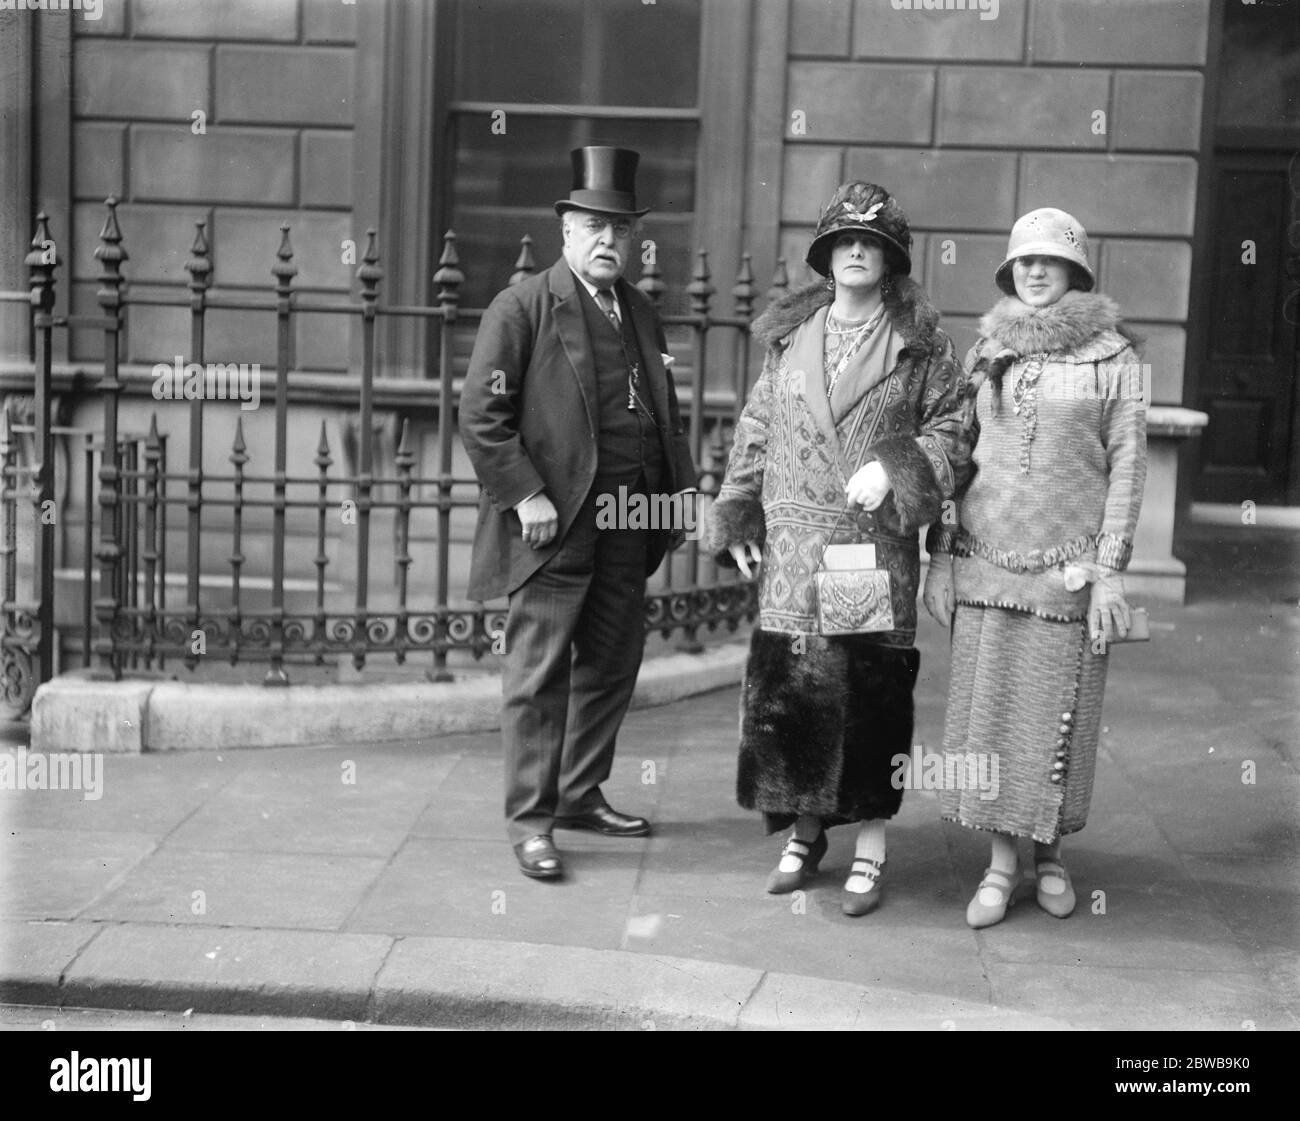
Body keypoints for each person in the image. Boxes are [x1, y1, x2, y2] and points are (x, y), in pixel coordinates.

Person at [705, 181, 972, 915]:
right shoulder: (792, 338)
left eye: (873, 243)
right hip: (795, 545)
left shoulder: (921, 345)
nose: (858, 251)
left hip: (870, 547)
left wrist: (897, 466)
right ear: (827, 255)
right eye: (845, 241)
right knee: (794, 690)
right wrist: (737, 515)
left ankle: (872, 845)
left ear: (889, 259)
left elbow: (955, 430)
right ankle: (805, 829)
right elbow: (758, 428)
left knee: (869, 692)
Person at [459, 146, 698, 881]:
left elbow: (666, 417)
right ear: (565, 230)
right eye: (593, 225)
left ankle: (579, 792)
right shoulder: (524, 305)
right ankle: (532, 821)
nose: (607, 240)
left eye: (620, 228)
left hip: (631, 521)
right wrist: (526, 492)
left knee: (613, 664)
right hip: (553, 524)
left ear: (633, 239)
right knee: (537, 676)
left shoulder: (643, 312)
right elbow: (480, 413)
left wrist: (679, 500)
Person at [922, 207, 1147, 928]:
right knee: (992, 722)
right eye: (1025, 260)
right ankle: (998, 863)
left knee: (1055, 718)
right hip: (987, 567)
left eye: (1052, 260)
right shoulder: (986, 349)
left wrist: (1110, 569)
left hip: (1066, 574)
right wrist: (939, 557)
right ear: (1010, 271)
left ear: (1077, 272)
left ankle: (1047, 856)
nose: (1037, 270)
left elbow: (1130, 466)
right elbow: (957, 458)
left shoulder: (1116, 360)